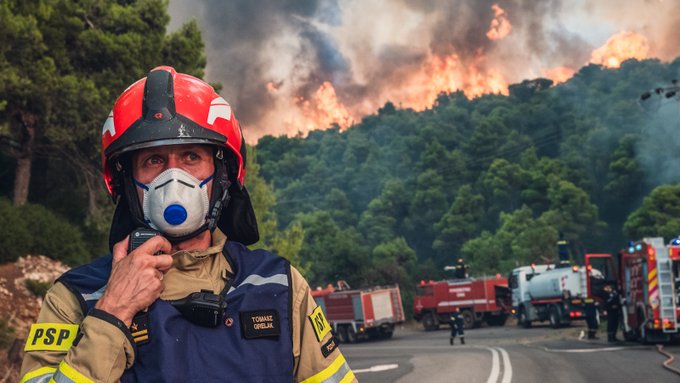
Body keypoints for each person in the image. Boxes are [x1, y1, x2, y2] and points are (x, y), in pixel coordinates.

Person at [20, 66, 356, 383]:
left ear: (222, 174)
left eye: (191, 157)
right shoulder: (76, 297)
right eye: (153, 160)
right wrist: (113, 311)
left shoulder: (278, 286)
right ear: (126, 181)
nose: (173, 177)